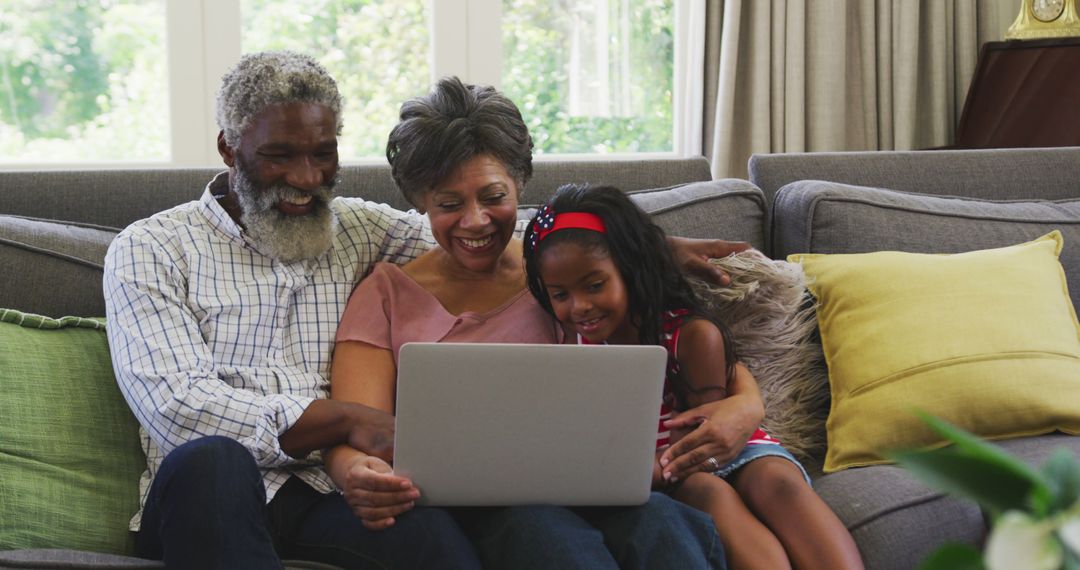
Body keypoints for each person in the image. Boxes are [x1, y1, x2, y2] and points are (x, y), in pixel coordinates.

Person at [103, 51, 747, 568]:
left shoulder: (358, 228)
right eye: (279, 156)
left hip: (332, 492)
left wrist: (636, 242)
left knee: (440, 540)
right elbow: (178, 407)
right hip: (212, 492)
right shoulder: (152, 248)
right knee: (216, 458)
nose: (305, 177)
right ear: (228, 148)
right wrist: (347, 422)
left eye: (321, 154)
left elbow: (483, 228)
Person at [326, 76, 764, 569]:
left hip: (596, 487)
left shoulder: (562, 278)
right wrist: (355, 471)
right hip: (473, 510)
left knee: (667, 525)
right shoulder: (385, 294)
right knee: (549, 536)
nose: (475, 222)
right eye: (449, 205)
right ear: (421, 202)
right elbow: (356, 428)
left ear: (520, 184)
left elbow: (672, 336)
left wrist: (747, 403)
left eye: (494, 197)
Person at [521, 184, 865, 570]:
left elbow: (709, 436)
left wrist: (644, 469)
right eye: (560, 294)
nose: (580, 306)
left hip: (720, 446)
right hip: (673, 470)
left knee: (778, 483)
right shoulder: (570, 342)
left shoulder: (693, 336)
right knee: (710, 494)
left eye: (595, 286)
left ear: (630, 270)